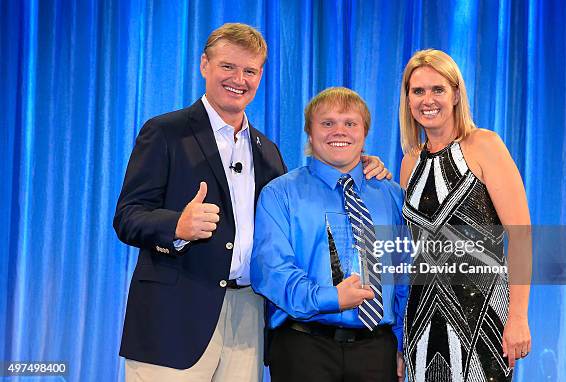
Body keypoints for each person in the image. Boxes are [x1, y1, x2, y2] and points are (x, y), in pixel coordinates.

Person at [113, 23, 390, 382]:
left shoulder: (268, 151)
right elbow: (128, 216)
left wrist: (363, 168)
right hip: (175, 317)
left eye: (249, 70)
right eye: (228, 66)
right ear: (204, 65)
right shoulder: (165, 132)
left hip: (248, 315)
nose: (238, 79)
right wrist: (176, 226)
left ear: (260, 75)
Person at [251, 87, 408, 382]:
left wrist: (400, 343)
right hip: (304, 348)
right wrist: (330, 298)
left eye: (350, 123)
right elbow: (271, 272)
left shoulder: (392, 195)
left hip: (377, 350)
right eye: (327, 123)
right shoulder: (280, 193)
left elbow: (403, 276)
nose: (340, 131)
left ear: (364, 133)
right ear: (310, 133)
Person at [398, 49, 531, 381]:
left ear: (456, 94)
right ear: (408, 100)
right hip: (421, 318)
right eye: (418, 91)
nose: (428, 99)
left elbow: (522, 236)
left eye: (437, 89)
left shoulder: (484, 145)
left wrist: (518, 316)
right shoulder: (409, 162)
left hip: (483, 317)